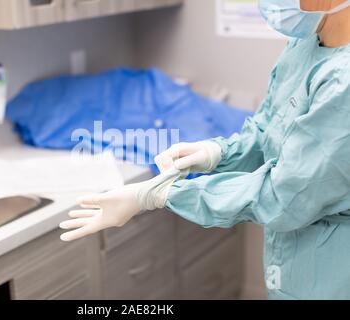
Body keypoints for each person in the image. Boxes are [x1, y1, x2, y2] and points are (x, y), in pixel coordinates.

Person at [60, 0, 350, 299]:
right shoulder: (306, 44)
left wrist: (158, 195)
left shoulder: (344, 83)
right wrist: (217, 153)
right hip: (296, 260)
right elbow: (269, 130)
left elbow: (285, 195)